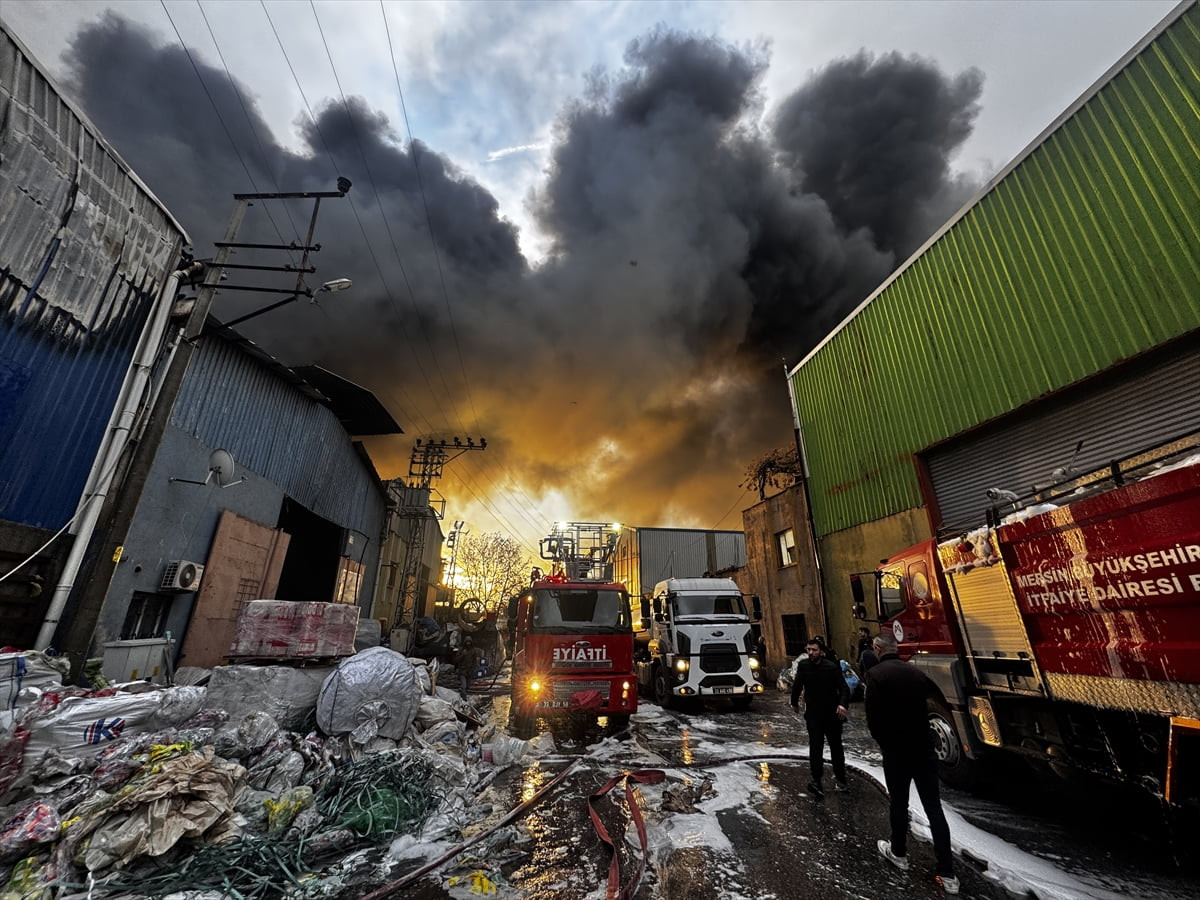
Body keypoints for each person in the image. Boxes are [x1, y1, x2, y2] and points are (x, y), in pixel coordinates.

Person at [864, 631, 959, 895]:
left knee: (899, 802)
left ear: (877, 649)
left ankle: (899, 853)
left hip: (897, 752)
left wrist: (885, 743)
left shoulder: (876, 676)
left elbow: (873, 719)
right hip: (923, 750)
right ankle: (947, 872)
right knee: (934, 809)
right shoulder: (916, 673)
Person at [790, 637, 850, 797]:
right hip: (814, 714)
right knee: (815, 748)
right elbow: (797, 685)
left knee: (836, 747)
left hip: (832, 714)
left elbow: (844, 688)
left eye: (814, 650)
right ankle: (816, 780)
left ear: (821, 652)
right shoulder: (803, 666)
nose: (810, 653)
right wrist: (794, 702)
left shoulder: (831, 667)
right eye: (808, 650)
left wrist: (843, 705)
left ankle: (841, 779)